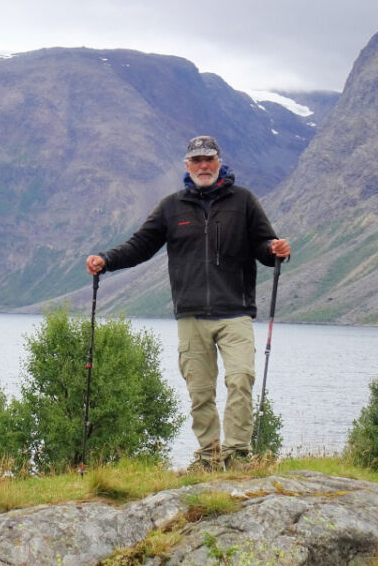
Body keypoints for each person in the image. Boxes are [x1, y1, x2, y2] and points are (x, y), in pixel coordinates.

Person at [86, 135, 291, 470]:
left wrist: (275, 249)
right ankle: (209, 457)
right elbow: (140, 246)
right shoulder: (171, 207)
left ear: (219, 162)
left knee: (240, 378)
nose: (203, 166)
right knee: (200, 391)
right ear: (187, 165)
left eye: (209, 159)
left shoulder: (244, 202)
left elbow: (264, 246)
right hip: (191, 314)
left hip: (235, 311)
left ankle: (237, 454)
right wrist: (106, 260)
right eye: (197, 160)